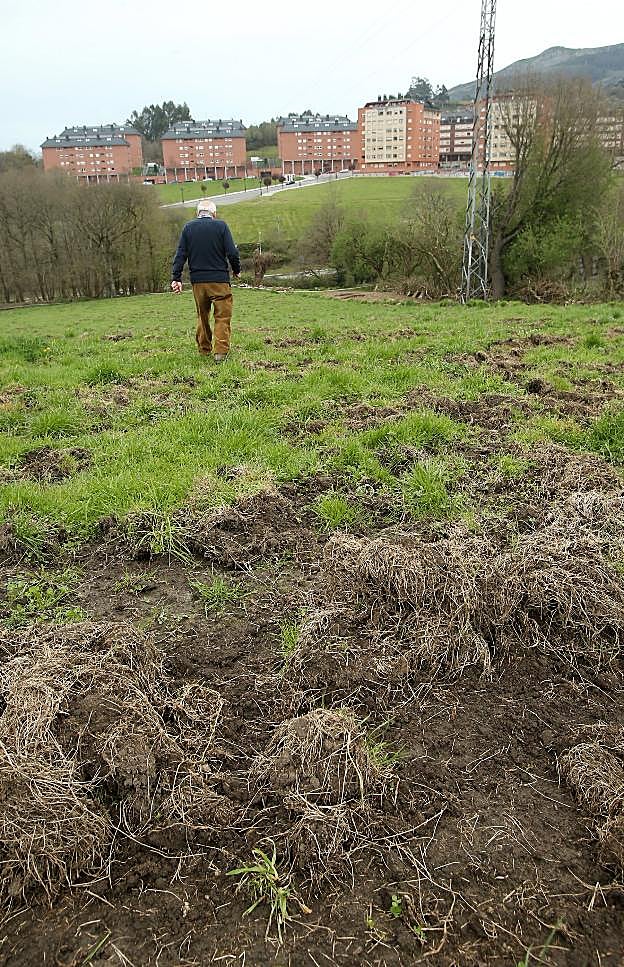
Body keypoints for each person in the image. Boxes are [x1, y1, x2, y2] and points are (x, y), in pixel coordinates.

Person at [171, 198, 241, 363]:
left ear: (198, 213)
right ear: (214, 214)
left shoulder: (188, 228)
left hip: (198, 282)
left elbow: (180, 254)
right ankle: (220, 352)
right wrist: (236, 270)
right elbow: (232, 252)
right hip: (220, 281)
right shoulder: (221, 226)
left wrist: (176, 277)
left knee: (202, 316)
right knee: (222, 316)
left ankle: (204, 349)